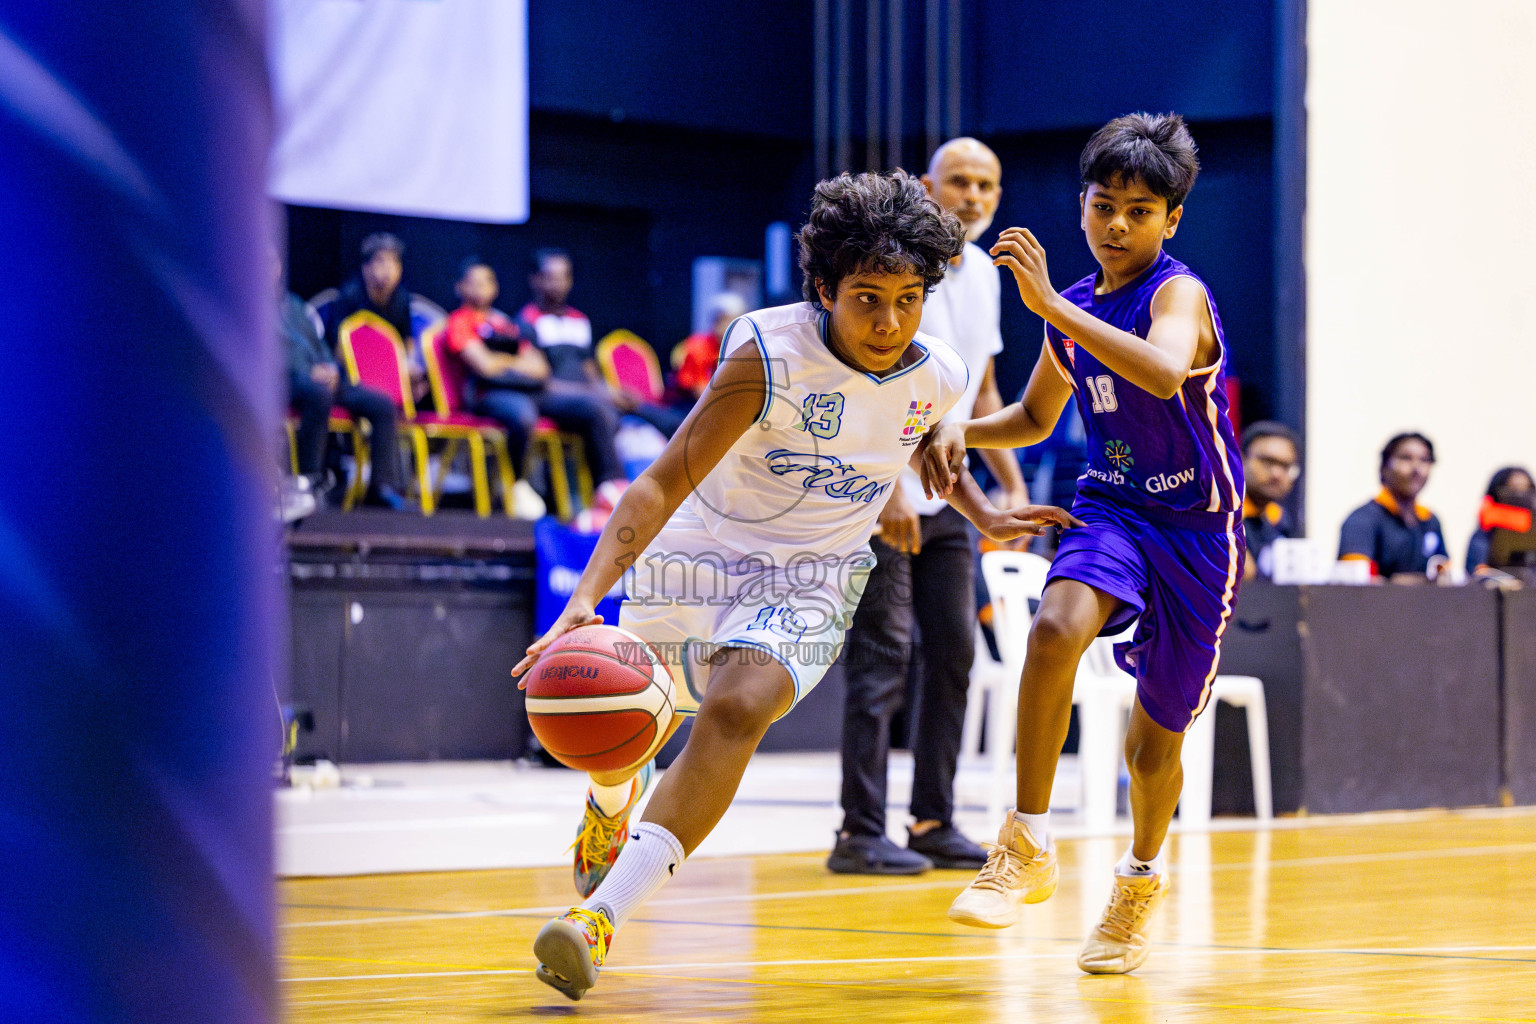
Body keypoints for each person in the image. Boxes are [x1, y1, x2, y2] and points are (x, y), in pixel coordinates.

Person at [512, 171, 1078, 1001]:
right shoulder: (765, 356)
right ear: (823, 288)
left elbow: (918, 448)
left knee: (740, 707)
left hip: (815, 574)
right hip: (700, 548)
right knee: (632, 720)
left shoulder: (940, 372)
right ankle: (609, 797)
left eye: (909, 298)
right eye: (867, 298)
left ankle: (599, 918)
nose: (890, 322)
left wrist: (986, 514)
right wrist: (583, 598)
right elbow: (661, 483)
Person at [922, 112, 1245, 975]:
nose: (1117, 224)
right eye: (1105, 205)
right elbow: (1032, 419)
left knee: (1152, 749)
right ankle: (1025, 840)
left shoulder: (1177, 293)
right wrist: (956, 431)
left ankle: (1139, 878)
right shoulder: (1067, 310)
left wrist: (1052, 307)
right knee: (1055, 625)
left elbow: (1165, 369)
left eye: (1140, 211)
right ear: (1082, 205)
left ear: (1170, 220)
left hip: (1198, 535)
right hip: (1112, 507)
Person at [829, 138, 1031, 876]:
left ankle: (933, 818)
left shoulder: (983, 275)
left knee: (954, 652)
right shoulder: (900, 270)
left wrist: (1010, 483)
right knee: (884, 657)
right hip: (885, 491)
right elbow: (869, 380)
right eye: (959, 182)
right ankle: (858, 831)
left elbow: (978, 389)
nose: (973, 195)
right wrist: (884, 490)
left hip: (950, 486)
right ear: (927, 186)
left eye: (987, 184)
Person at [279, 254, 409, 509]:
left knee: (381, 403)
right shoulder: (245, 302)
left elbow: (318, 344)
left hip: (320, 375)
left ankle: (381, 487)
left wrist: (331, 367)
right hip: (287, 380)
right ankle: (310, 484)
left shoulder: (293, 304)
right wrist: (305, 371)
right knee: (318, 394)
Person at [516, 248, 629, 505]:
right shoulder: (526, 321)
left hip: (587, 397)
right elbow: (539, 378)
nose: (557, 284)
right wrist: (592, 395)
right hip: (550, 397)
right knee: (599, 411)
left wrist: (607, 390)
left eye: (563, 277)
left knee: (649, 413)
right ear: (535, 279)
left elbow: (589, 368)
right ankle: (612, 487)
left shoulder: (580, 320)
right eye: (550, 277)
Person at [442, 258, 552, 519]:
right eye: (474, 282)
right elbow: (484, 367)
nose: (481, 289)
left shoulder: (504, 323)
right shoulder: (459, 321)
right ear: (460, 287)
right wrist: (514, 362)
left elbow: (541, 368)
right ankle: (515, 484)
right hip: (481, 396)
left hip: (522, 391)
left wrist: (501, 361)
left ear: (495, 288)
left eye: (487, 282)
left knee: (575, 406)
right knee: (523, 413)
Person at [1338, 433, 1449, 583]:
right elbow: (1355, 584)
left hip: (1424, 606)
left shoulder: (1430, 520)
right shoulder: (1362, 519)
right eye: (1405, 458)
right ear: (1384, 467)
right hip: (1376, 605)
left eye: (1424, 460)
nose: (1416, 468)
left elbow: (1445, 577)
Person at [1240, 421, 1302, 580]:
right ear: (1241, 458)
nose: (1276, 473)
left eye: (1285, 466)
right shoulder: (1219, 515)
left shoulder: (1282, 521)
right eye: (1267, 461)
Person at [1466, 466, 1535, 578]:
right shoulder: (1483, 536)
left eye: (1526, 491)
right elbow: (1477, 573)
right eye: (1513, 491)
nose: (1520, 499)